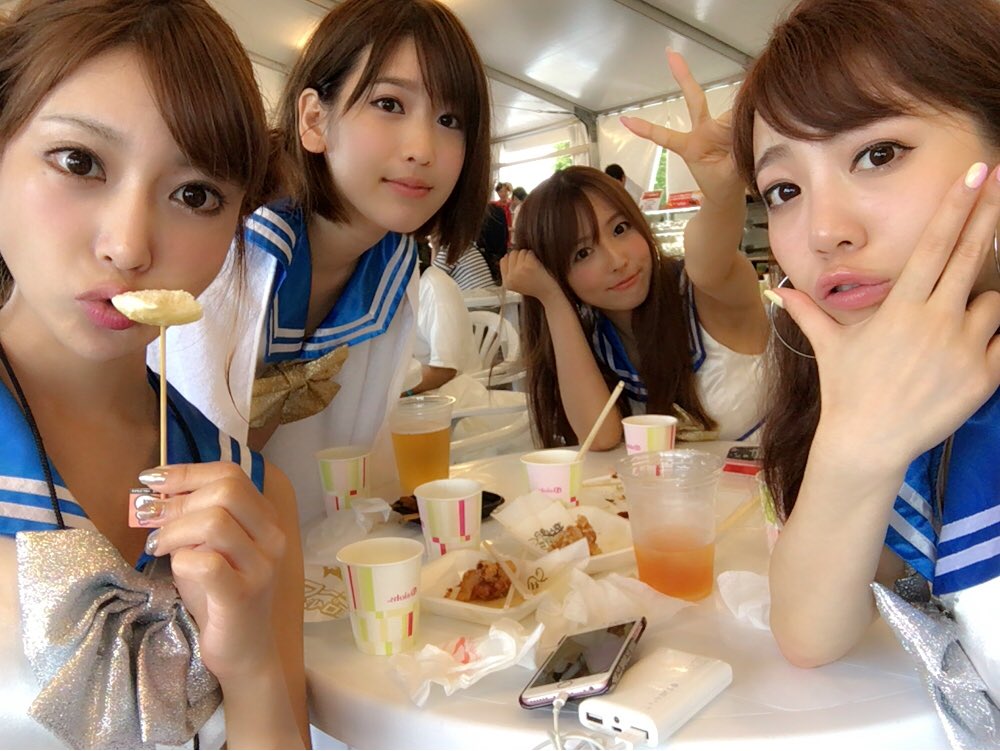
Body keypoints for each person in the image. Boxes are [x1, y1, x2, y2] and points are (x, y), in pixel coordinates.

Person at [0, 0, 307, 747]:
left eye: (195, 195)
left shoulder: (254, 500)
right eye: (79, 162)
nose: (130, 246)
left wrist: (252, 667)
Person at [731, 0, 1000, 694]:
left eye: (878, 154)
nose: (824, 231)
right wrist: (856, 446)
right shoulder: (899, 383)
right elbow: (811, 633)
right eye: (784, 189)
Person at [163, 0, 492, 523]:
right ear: (314, 119)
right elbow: (172, 470)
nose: (423, 148)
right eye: (389, 103)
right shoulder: (229, 254)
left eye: (449, 119)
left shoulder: (391, 267)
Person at [503, 52, 768, 450]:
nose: (617, 260)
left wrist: (723, 194)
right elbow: (601, 437)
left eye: (620, 229)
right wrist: (552, 300)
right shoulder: (598, 339)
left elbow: (709, 258)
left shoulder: (704, 293)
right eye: (582, 254)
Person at [411, 265, 482, 394]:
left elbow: (443, 372)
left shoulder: (436, 288)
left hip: (451, 393)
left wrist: (396, 392)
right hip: (423, 391)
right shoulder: (400, 291)